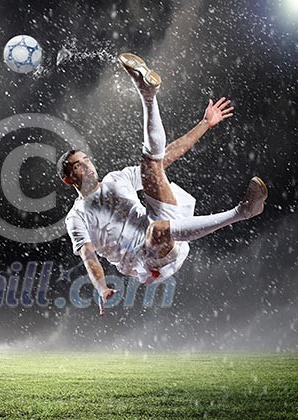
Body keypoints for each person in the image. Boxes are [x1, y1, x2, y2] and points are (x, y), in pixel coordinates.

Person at [58, 53, 268, 316]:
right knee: (157, 230)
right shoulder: (76, 217)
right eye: (79, 165)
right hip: (147, 262)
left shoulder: (115, 179)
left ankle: (147, 94)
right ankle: (242, 212)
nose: (88, 165)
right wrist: (101, 288)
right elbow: (89, 256)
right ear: (69, 179)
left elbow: (166, 155)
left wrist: (205, 124)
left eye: (87, 159)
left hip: (165, 227)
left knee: (151, 165)